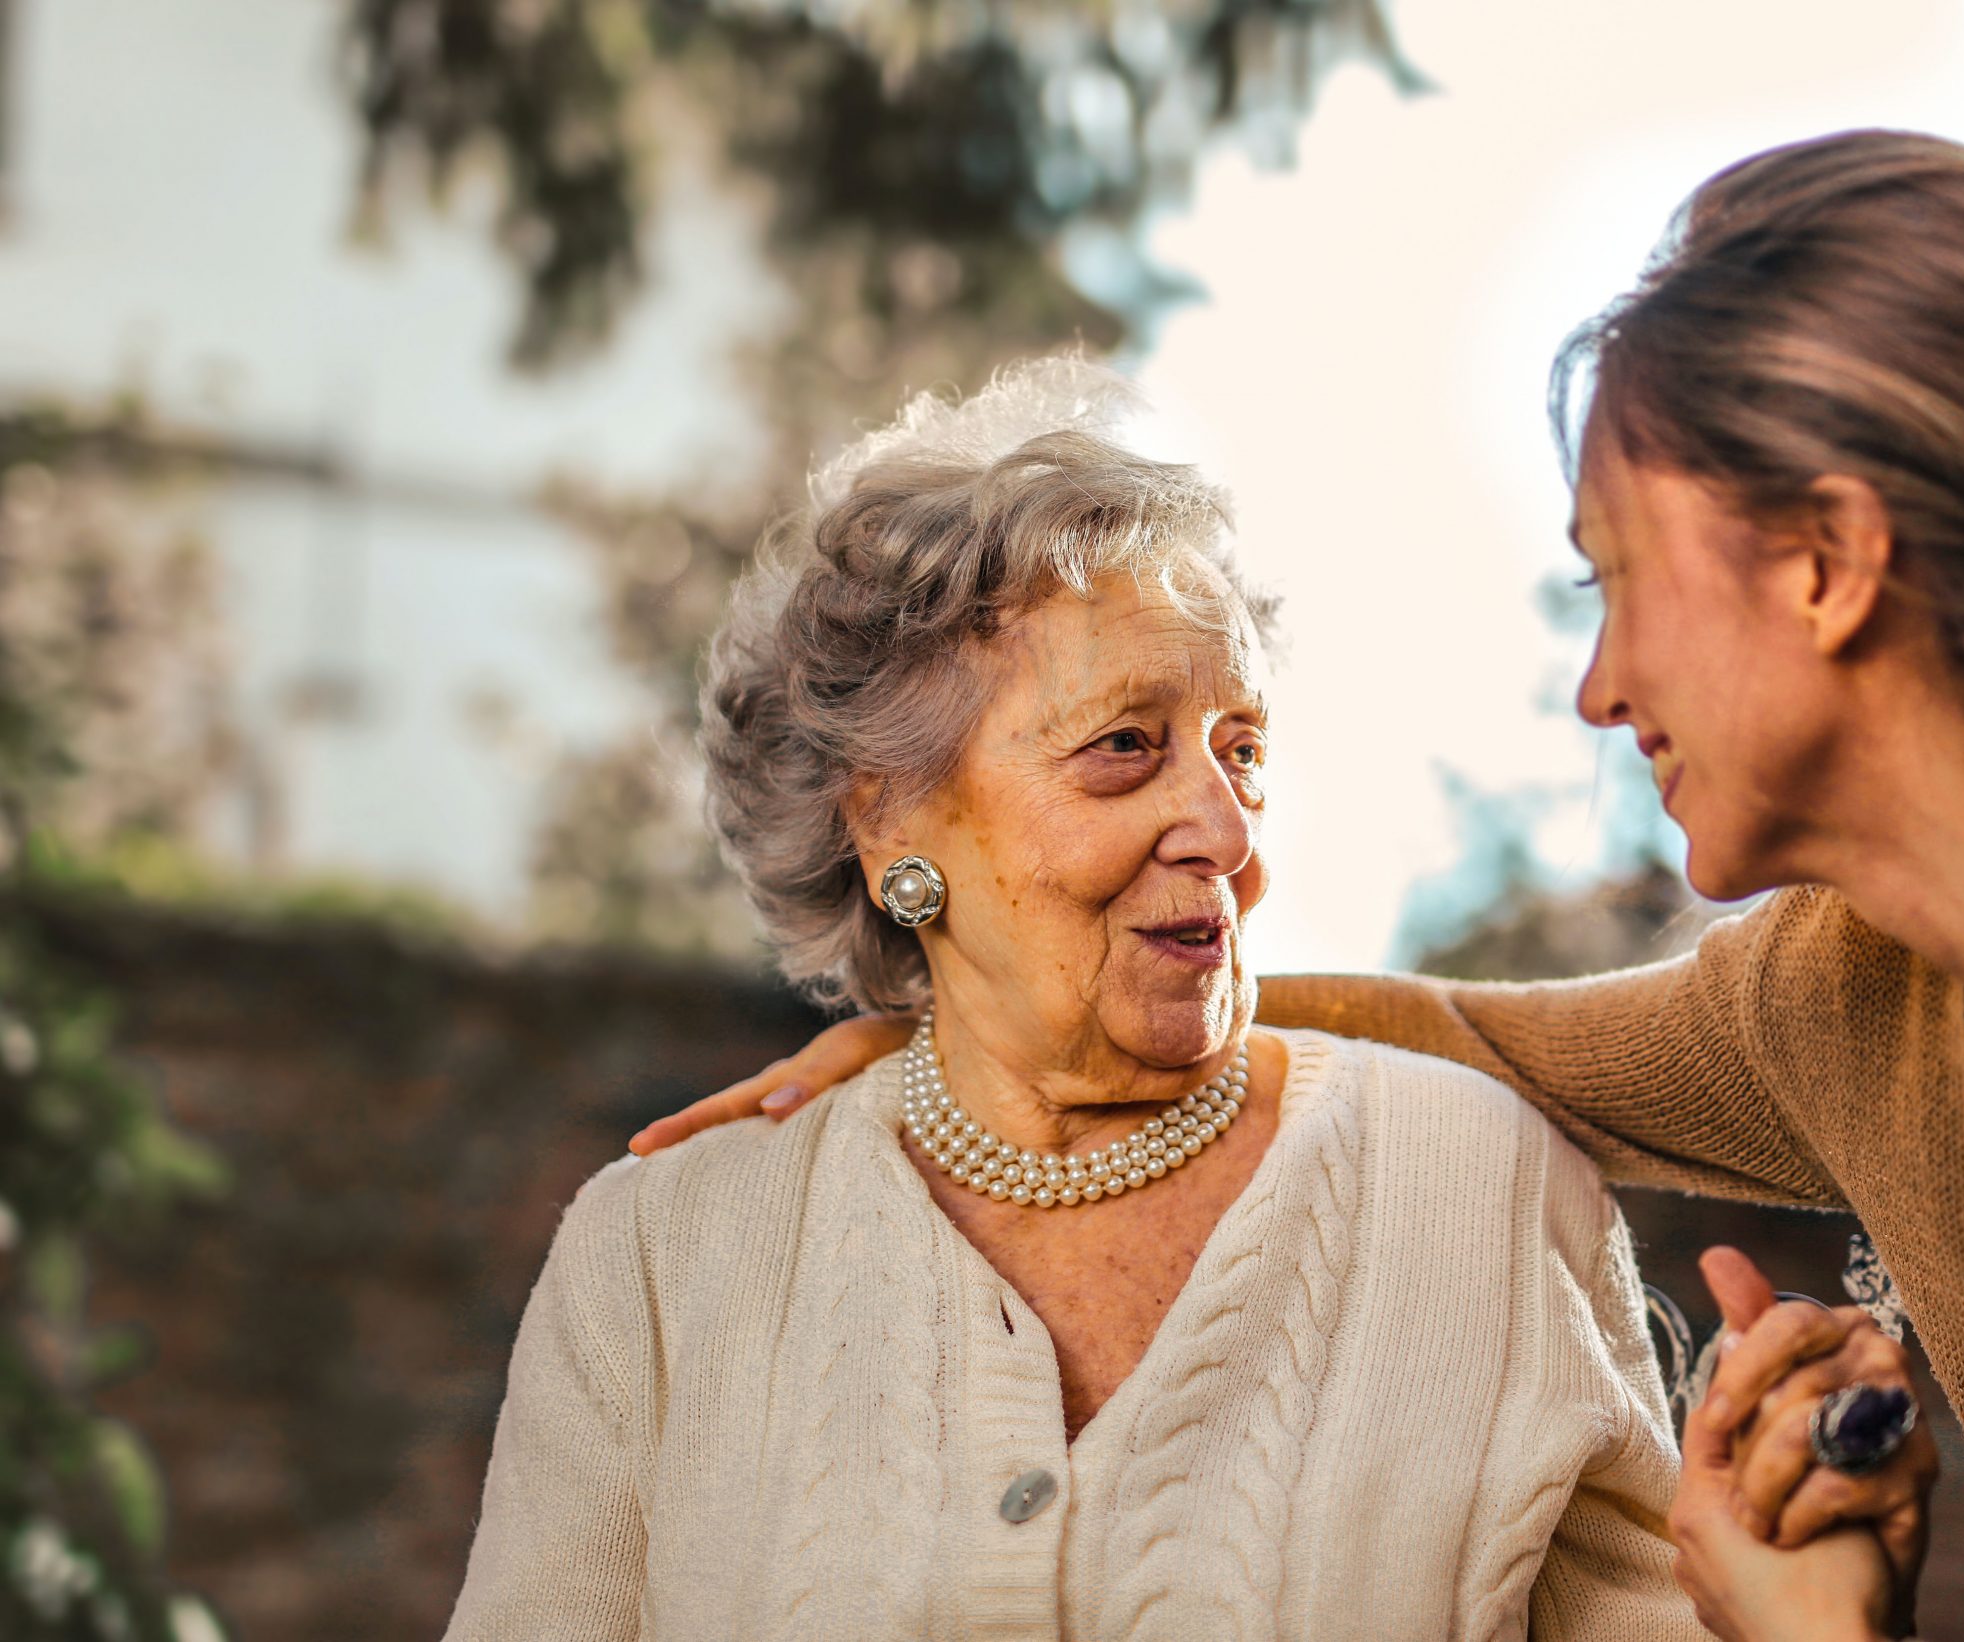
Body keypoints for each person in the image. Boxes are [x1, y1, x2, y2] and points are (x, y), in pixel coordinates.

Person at [641, 131, 1964, 1641]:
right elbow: (1478, 1039)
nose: (1600, 683)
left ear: (1824, 565)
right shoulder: (1857, 990)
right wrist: (977, 1032)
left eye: (1620, 576)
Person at [445, 360, 1780, 1640]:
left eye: (1240, 749)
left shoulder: (1484, 1189)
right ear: (891, 817)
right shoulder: (662, 1257)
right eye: (1124, 746)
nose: (1221, 825)